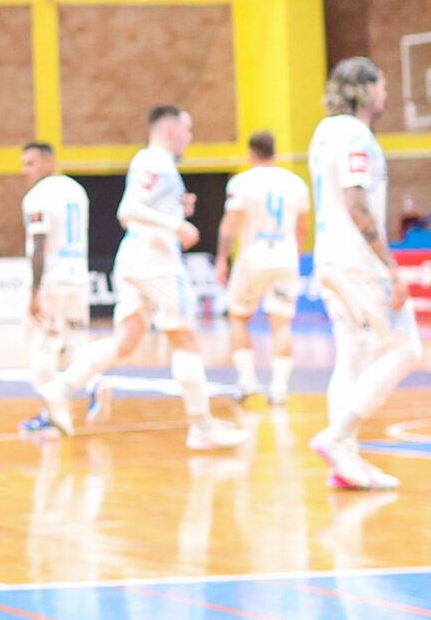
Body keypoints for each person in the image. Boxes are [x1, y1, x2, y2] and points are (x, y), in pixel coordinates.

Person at [34, 107, 245, 449]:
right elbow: (128, 209)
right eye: (188, 129)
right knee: (186, 340)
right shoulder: (156, 162)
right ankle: (201, 426)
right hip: (156, 262)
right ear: (172, 129)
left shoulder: (153, 163)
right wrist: (176, 224)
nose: (190, 137)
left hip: (133, 258)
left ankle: (60, 387)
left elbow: (142, 209)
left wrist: (176, 210)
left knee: (125, 340)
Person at [306, 57, 422, 489]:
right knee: (406, 349)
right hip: (357, 260)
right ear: (366, 88)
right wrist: (390, 266)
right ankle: (338, 438)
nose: (386, 93)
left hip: (328, 257)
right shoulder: (356, 135)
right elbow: (356, 202)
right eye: (382, 85)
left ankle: (345, 464)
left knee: (352, 353)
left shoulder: (324, 131)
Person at [216, 130, 309, 408]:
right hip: (285, 257)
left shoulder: (241, 182)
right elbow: (303, 228)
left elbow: (230, 224)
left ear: (250, 153)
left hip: (253, 258)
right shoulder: (295, 183)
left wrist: (222, 258)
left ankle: (247, 381)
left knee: (238, 317)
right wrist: (294, 254)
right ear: (275, 152)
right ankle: (279, 387)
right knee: (281, 323)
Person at [18, 142, 91, 436]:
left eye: (30, 163)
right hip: (78, 277)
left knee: (41, 346)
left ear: (49, 162)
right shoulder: (77, 190)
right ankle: (95, 385)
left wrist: (34, 291)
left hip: (52, 279)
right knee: (76, 344)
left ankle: (49, 414)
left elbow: (39, 245)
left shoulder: (37, 196)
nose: (25, 171)